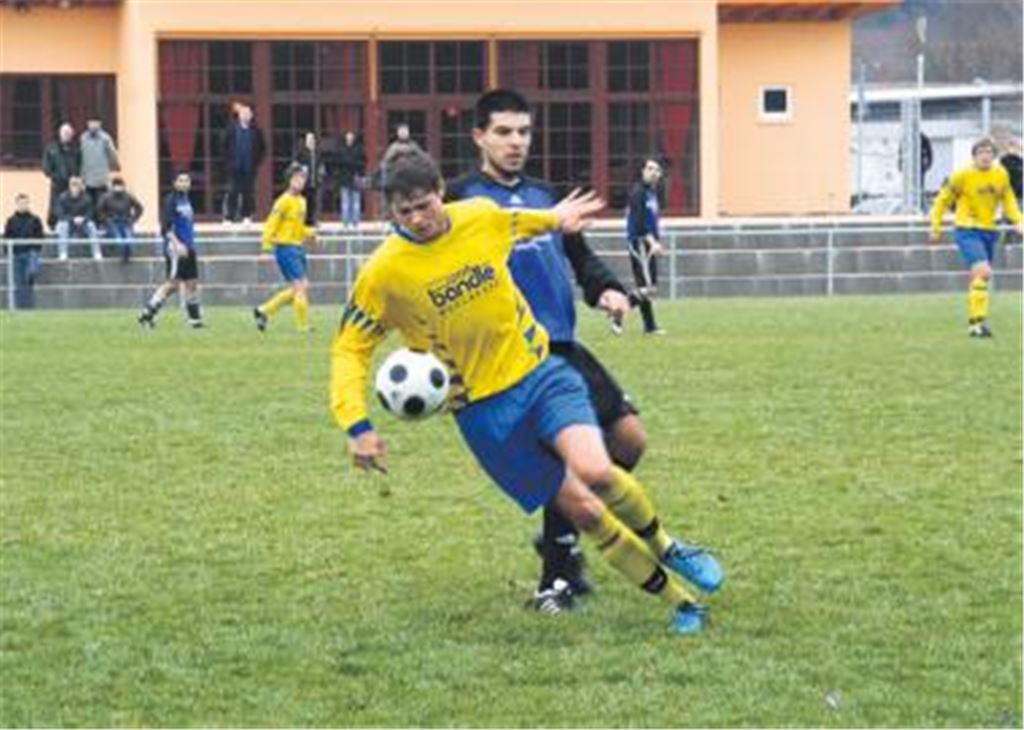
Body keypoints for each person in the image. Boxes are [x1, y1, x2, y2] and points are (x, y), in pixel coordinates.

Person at [331, 145, 724, 635]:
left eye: (424, 205)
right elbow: (349, 349)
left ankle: (668, 546)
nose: (416, 219)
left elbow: (518, 224)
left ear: (440, 192)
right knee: (584, 510)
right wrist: (357, 425)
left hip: (540, 375)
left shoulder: (478, 216)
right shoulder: (383, 273)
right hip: (483, 414)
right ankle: (683, 603)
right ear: (390, 211)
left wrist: (556, 218)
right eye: (403, 211)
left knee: (596, 471)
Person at [446, 89, 706, 614]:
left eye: (523, 132)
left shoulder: (546, 196)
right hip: (511, 362)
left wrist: (606, 289)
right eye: (503, 132)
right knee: (564, 472)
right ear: (479, 137)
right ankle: (557, 577)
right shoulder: (459, 200)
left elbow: (579, 257)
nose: (516, 142)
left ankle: (560, 533)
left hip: (563, 347)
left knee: (629, 440)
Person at [928, 137, 1022, 338]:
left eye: (989, 152)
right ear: (974, 156)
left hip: (989, 230)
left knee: (979, 277)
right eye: (981, 152)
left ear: (994, 156)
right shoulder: (962, 175)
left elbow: (1008, 200)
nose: (985, 156)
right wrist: (935, 226)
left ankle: (975, 324)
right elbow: (942, 200)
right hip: (967, 229)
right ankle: (978, 323)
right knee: (984, 271)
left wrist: (1019, 221)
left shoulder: (1000, 174)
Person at [253, 163, 316, 334]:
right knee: (300, 286)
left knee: (300, 287)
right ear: (289, 180)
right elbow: (271, 224)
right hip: (285, 248)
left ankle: (263, 311)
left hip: (297, 247)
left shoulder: (302, 201)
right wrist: (266, 248)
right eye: (296, 178)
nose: (300, 182)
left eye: (302, 178)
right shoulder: (283, 201)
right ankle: (303, 327)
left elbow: (298, 227)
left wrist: (310, 233)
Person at [138, 172, 204, 329]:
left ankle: (194, 320)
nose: (184, 183)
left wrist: (189, 245)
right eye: (181, 180)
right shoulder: (171, 200)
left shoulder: (186, 199)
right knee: (173, 284)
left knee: (192, 283)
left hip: (189, 247)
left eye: (187, 180)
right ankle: (147, 314)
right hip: (176, 248)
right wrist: (177, 244)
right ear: (175, 183)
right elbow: (166, 227)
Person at [625, 159, 667, 335]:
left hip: (648, 242)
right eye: (650, 169)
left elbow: (652, 219)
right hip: (640, 242)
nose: (654, 172)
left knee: (648, 288)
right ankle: (619, 309)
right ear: (642, 171)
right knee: (647, 288)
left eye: (657, 169)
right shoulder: (638, 192)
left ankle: (649, 326)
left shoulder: (652, 193)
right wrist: (652, 243)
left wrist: (657, 239)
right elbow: (640, 222)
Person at [222, 103, 266, 225]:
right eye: (244, 113)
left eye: (248, 114)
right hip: (234, 167)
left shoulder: (256, 131)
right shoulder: (231, 129)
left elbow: (262, 148)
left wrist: (256, 162)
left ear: (251, 116)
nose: (246, 116)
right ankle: (229, 217)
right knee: (232, 191)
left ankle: (246, 215)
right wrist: (227, 162)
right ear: (239, 115)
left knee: (248, 192)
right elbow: (224, 146)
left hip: (249, 167)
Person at [3, 193, 45, 310]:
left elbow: (40, 236)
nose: (23, 205)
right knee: (18, 283)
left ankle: (30, 306)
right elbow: (7, 237)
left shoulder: (35, 220)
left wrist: (35, 250)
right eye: (21, 203)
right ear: (16, 204)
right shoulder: (11, 221)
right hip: (16, 255)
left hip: (31, 254)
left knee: (30, 278)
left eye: (25, 203)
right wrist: (9, 253)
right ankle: (19, 308)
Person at [97, 175, 144, 263]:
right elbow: (100, 210)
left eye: (120, 186)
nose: (118, 188)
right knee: (119, 241)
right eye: (116, 186)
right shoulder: (106, 197)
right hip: (112, 223)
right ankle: (121, 256)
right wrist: (106, 220)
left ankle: (126, 257)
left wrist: (133, 219)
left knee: (129, 242)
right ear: (113, 186)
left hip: (126, 222)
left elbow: (139, 208)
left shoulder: (128, 196)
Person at [41, 123, 79, 230]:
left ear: (72, 135)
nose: (67, 135)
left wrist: (76, 176)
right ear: (60, 134)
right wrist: (53, 175)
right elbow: (46, 165)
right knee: (55, 203)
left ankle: (70, 224)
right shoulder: (51, 147)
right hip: (57, 182)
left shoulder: (75, 148)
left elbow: (79, 163)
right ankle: (53, 224)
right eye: (65, 133)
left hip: (72, 183)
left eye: (69, 133)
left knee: (72, 204)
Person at [55, 176, 102, 261]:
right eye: (73, 185)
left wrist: (83, 219)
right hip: (68, 222)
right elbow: (60, 214)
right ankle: (63, 253)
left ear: (80, 187)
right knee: (63, 226)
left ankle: (97, 253)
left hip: (83, 223)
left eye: (76, 185)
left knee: (91, 226)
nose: (75, 188)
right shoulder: (63, 197)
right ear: (69, 186)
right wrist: (72, 219)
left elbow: (90, 213)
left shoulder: (86, 198)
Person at [79, 117, 120, 211]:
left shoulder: (106, 138)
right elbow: (80, 156)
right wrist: (81, 174)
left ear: (100, 124)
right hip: (88, 178)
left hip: (101, 178)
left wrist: (114, 166)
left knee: (101, 205)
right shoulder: (83, 138)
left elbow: (112, 154)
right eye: (91, 122)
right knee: (89, 204)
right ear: (88, 124)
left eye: (95, 122)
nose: (93, 125)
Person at [335, 130, 366, 229]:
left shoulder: (358, 149)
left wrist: (361, 175)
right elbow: (337, 163)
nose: (350, 139)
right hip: (344, 178)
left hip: (355, 177)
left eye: (351, 137)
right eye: (348, 137)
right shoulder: (341, 149)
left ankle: (355, 222)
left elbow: (363, 162)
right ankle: (345, 223)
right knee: (345, 201)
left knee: (356, 201)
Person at [294, 131, 325, 226]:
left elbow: (321, 165)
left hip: (314, 181)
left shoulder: (317, 152)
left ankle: (313, 220)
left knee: (314, 202)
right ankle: (303, 220)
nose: (310, 141)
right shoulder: (302, 152)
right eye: (308, 139)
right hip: (304, 182)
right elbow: (296, 164)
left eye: (311, 139)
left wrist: (321, 174)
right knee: (303, 202)